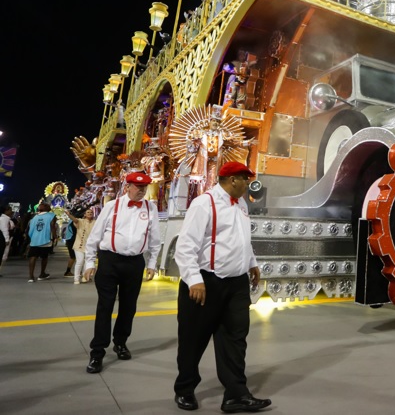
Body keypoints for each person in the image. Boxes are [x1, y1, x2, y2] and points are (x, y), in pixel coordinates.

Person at [172, 161, 270, 412]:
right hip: (206, 282)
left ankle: (236, 393)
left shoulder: (242, 204)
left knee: (236, 338)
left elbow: (241, 239)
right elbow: (185, 246)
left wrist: (252, 263)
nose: (249, 183)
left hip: (236, 284)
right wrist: (194, 279)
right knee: (193, 340)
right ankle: (185, 389)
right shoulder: (204, 203)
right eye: (245, 179)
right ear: (232, 180)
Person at [83, 172, 161, 374]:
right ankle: (97, 352)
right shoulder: (111, 206)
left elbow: (154, 239)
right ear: (127, 187)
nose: (142, 190)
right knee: (105, 306)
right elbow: (95, 236)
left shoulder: (150, 208)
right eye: (137, 186)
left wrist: (152, 263)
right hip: (110, 260)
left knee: (129, 307)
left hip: (135, 263)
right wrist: (90, 261)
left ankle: (120, 342)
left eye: (144, 187)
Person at [27, 202, 57, 282]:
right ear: (47, 208)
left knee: (33, 257)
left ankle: (31, 277)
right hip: (45, 239)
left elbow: (31, 229)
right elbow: (52, 227)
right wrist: (55, 237)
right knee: (44, 257)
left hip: (34, 239)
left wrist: (31, 238)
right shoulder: (52, 215)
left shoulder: (35, 217)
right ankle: (42, 274)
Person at [66, 206, 96, 284]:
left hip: (89, 246)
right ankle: (76, 279)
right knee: (79, 261)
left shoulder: (95, 222)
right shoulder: (81, 221)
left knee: (87, 262)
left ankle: (84, 277)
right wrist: (69, 215)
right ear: (85, 214)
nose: (90, 213)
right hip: (79, 245)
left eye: (91, 212)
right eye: (88, 212)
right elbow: (75, 220)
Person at [0, 204, 13, 275]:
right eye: (10, 210)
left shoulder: (5, 218)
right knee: (2, 255)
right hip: (3, 239)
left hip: (3, 238)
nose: (11, 211)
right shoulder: (4, 219)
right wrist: (7, 239)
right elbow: (4, 229)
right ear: (6, 211)